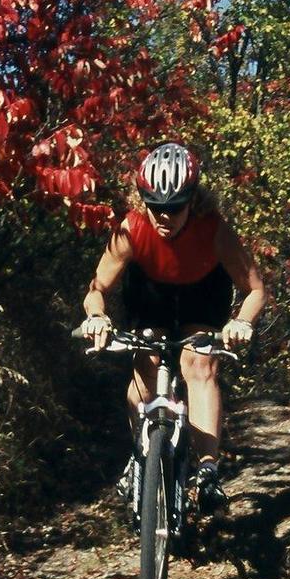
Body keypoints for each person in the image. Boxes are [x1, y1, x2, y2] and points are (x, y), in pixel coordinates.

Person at [79, 142, 266, 512]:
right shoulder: (131, 230)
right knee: (144, 366)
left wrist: (241, 322)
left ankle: (208, 472)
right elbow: (97, 289)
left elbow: (256, 290)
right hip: (151, 296)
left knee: (198, 363)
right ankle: (142, 454)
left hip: (203, 295)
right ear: (142, 199)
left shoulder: (214, 230)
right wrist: (97, 317)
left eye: (175, 208)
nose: (164, 217)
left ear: (192, 200)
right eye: (155, 207)